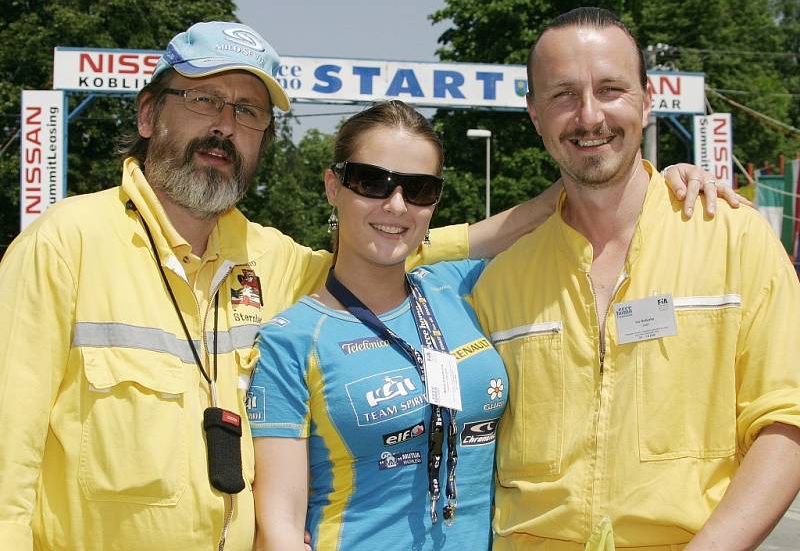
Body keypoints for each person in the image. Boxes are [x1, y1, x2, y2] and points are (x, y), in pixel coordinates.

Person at [0, 18, 730, 550]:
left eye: (247, 112)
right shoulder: (63, 246)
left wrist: (648, 183)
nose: (224, 126)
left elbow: (400, 249)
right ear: (149, 112)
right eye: (201, 101)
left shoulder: (271, 257)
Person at [247, 101, 731, 551]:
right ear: (334, 185)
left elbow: (560, 217)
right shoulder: (292, 339)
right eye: (372, 182)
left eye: (418, 189)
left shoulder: (465, 288)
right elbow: (280, 520)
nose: (396, 205)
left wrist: (663, 180)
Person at [472, 7, 800, 550]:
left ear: (647, 100)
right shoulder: (498, 279)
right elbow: (386, 253)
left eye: (611, 89)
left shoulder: (733, 238)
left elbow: (786, 420)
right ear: (532, 113)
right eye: (562, 95)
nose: (589, 115)